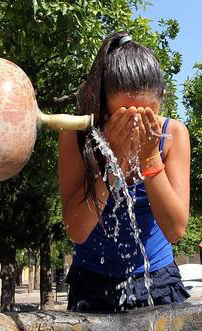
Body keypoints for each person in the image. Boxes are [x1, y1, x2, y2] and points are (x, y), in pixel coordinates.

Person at [58, 32, 191, 312]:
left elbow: (176, 230)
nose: (136, 127)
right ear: (102, 105)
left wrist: (151, 157)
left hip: (158, 278)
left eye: (146, 116)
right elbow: (77, 231)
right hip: (92, 283)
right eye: (123, 116)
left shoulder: (173, 134)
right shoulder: (76, 137)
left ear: (160, 102)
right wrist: (112, 163)